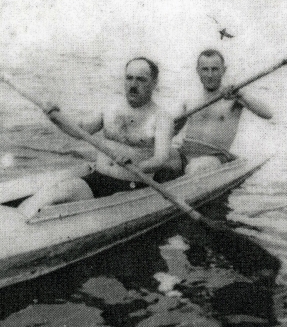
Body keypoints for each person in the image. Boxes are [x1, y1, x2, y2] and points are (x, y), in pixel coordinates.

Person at [19, 57, 182, 218]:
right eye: (129, 78)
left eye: (141, 80)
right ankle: (14, 224)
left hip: (132, 186)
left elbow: (160, 159)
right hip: (98, 179)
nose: (133, 85)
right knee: (55, 192)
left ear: (154, 83)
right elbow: (80, 131)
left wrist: (139, 166)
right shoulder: (110, 108)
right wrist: (55, 119)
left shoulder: (161, 118)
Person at [178, 49, 273, 174]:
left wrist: (240, 95)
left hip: (215, 157)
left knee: (195, 168)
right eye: (205, 69)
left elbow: (267, 114)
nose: (210, 75)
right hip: (184, 152)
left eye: (215, 69)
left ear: (224, 70)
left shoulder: (234, 97)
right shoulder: (189, 98)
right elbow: (173, 129)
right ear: (198, 71)